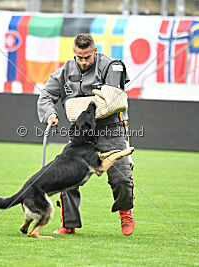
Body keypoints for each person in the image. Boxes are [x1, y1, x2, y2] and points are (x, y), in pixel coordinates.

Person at [37, 33, 135, 236]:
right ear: (74, 53)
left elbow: (114, 98)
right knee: (65, 175)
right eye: (79, 57)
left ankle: (125, 212)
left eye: (87, 57)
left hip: (110, 127)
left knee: (121, 176)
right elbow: (46, 95)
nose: (83, 61)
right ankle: (69, 223)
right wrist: (51, 113)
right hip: (81, 133)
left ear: (95, 51)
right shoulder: (65, 70)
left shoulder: (111, 66)